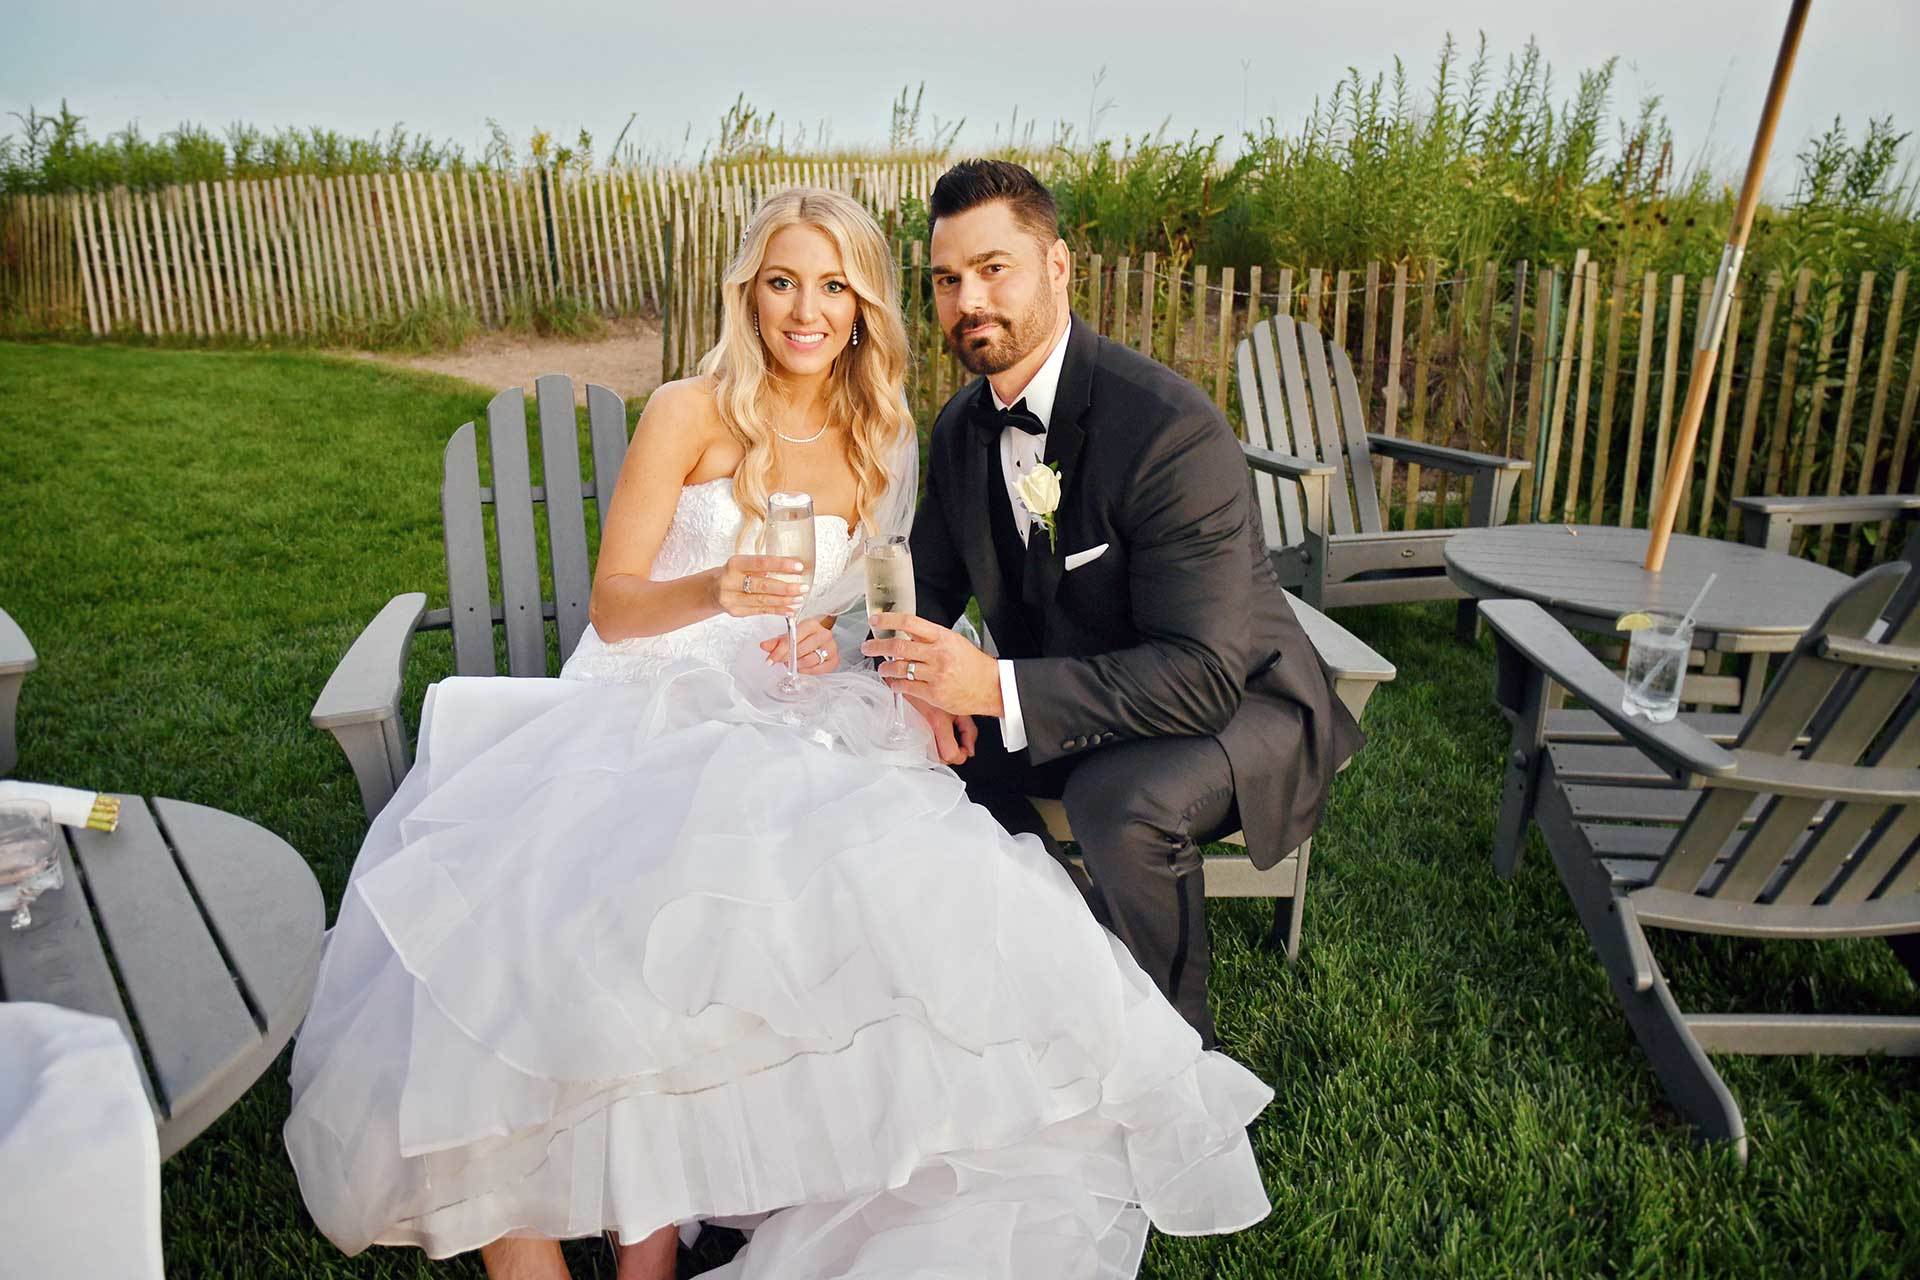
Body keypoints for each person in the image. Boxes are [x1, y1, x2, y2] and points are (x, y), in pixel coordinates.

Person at [285, 187, 1273, 1279]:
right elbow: (615, 606)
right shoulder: (686, 410)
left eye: (834, 286)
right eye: (782, 282)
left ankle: (685, 1214)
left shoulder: (888, 432)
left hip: (788, 697)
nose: (806, 310)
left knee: (850, 880)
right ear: (748, 293)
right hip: (644, 689)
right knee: (581, 919)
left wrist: (838, 642)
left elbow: (882, 598)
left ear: (864, 307)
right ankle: (583, 1222)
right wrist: (717, 586)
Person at [864, 160, 1363, 1045]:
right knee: (918, 755)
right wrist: (920, 689)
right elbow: (930, 593)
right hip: (1076, 684)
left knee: (1117, 798)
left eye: (993, 268)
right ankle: (1037, 960)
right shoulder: (960, 428)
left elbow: (1203, 675)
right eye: (947, 280)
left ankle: (1175, 1050)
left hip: (1237, 699)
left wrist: (998, 691)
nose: (968, 300)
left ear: (1057, 268)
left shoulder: (1167, 431)